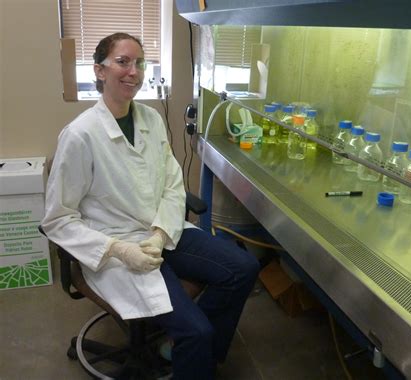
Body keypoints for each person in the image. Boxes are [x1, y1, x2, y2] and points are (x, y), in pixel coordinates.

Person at [42, 32, 260, 379]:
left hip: (163, 230)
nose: (133, 71)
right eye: (122, 61)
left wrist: (160, 233)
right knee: (196, 330)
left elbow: (173, 184)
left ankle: (193, 355)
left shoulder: (151, 119)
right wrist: (118, 249)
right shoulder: (80, 135)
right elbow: (57, 220)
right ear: (99, 71)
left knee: (243, 268)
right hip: (117, 246)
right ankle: (193, 346)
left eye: (139, 63)